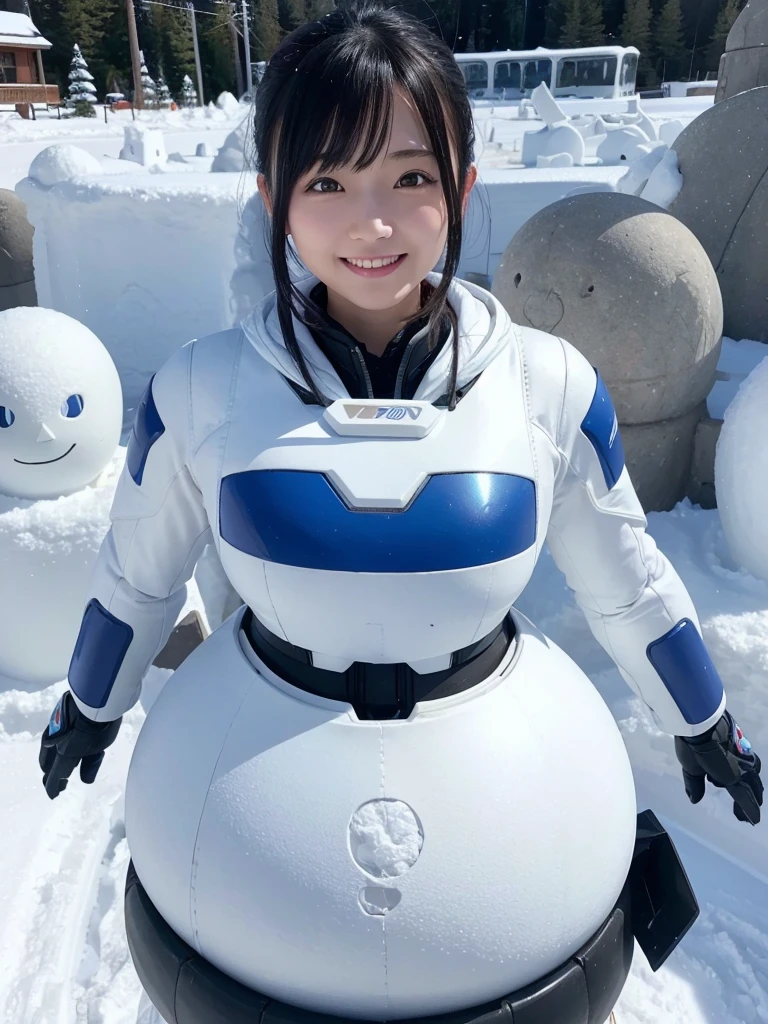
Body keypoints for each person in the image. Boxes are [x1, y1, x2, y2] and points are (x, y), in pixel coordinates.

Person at [38, 0, 762, 1017]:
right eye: (328, 181)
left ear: (462, 188)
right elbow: (138, 576)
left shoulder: (546, 382)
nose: (372, 223)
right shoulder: (202, 387)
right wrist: (90, 704)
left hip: (504, 815)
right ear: (274, 200)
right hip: (255, 820)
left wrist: (704, 716)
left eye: (411, 178)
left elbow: (626, 575)